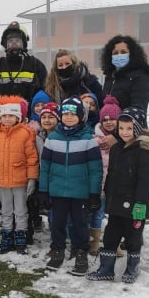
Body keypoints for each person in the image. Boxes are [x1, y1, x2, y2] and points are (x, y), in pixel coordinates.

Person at [88, 107, 149, 283]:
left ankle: (132, 268)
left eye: (129, 128)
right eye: (121, 128)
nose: (124, 132)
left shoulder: (144, 151)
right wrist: (107, 194)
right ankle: (106, 268)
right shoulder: (116, 149)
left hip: (135, 206)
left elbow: (147, 181)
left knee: (133, 238)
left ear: (138, 128)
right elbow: (111, 174)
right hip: (116, 204)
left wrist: (141, 204)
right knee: (110, 236)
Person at [38, 96, 103, 275]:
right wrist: (43, 190)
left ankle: (81, 251)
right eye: (65, 113)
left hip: (80, 192)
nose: (68, 117)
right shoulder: (53, 139)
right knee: (57, 222)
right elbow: (45, 167)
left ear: (81, 116)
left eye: (73, 114)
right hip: (57, 190)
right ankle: (58, 249)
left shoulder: (88, 139)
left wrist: (94, 193)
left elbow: (95, 170)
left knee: (80, 224)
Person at [0, 96, 39, 255]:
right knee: (6, 209)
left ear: (18, 117)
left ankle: (20, 236)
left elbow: (32, 158)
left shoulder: (25, 133)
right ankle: (7, 235)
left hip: (20, 180)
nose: (7, 119)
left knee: (21, 210)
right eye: (4, 116)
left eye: (11, 116)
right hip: (1, 180)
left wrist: (32, 179)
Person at [98, 35, 149, 151]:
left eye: (123, 52)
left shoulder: (141, 77)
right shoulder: (110, 77)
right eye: (115, 53)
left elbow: (138, 110)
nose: (119, 55)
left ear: (132, 54)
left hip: (131, 137)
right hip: (108, 135)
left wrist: (116, 135)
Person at [0, 21, 48, 113]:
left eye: (17, 41)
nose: (14, 43)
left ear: (23, 43)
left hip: (28, 117)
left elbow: (45, 92)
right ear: (5, 44)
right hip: (3, 117)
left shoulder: (35, 65)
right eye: (10, 41)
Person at [89, 95, 121, 255]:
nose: (108, 122)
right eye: (105, 119)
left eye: (113, 119)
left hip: (117, 187)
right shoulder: (94, 140)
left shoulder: (123, 140)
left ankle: (114, 244)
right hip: (100, 185)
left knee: (115, 216)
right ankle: (94, 241)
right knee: (98, 214)